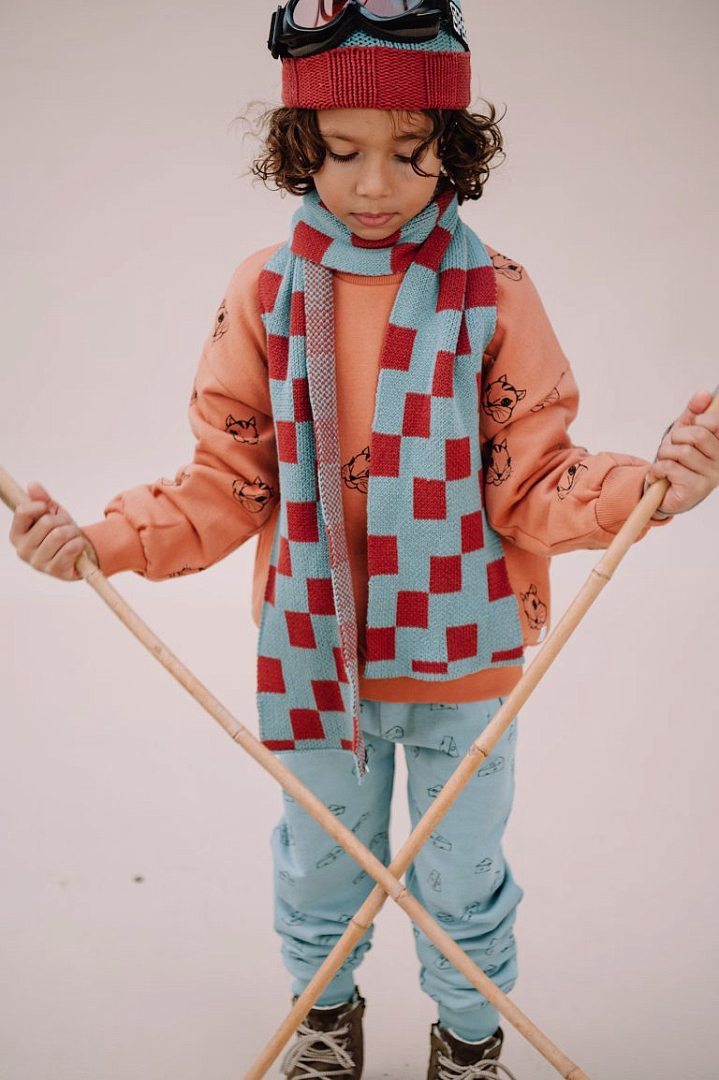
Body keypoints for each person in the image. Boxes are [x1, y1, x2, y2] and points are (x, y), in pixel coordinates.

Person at [8, 2, 719, 1077]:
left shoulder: (496, 292)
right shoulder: (262, 290)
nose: (374, 184)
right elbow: (227, 480)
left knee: (460, 878)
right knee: (317, 871)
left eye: (409, 150)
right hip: (312, 653)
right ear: (299, 144)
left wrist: (648, 491)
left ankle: (468, 1039)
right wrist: (100, 543)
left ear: (454, 147)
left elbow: (532, 478)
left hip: (463, 657)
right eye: (342, 151)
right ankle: (325, 1026)